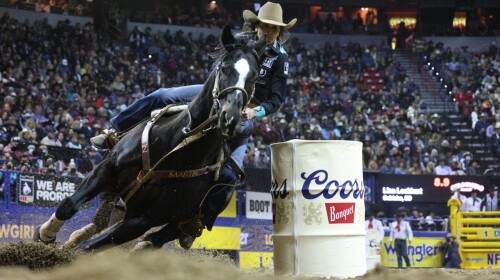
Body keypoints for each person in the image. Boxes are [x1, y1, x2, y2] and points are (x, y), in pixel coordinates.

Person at [89, 2, 296, 248]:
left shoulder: (280, 57)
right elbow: (216, 70)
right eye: (265, 25)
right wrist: (214, 94)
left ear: (279, 31)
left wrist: (254, 111)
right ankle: (115, 132)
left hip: (245, 109)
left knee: (231, 175)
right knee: (163, 95)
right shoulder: (240, 41)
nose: (269, 31)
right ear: (257, 24)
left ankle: (196, 220)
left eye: (274, 28)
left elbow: (276, 99)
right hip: (216, 93)